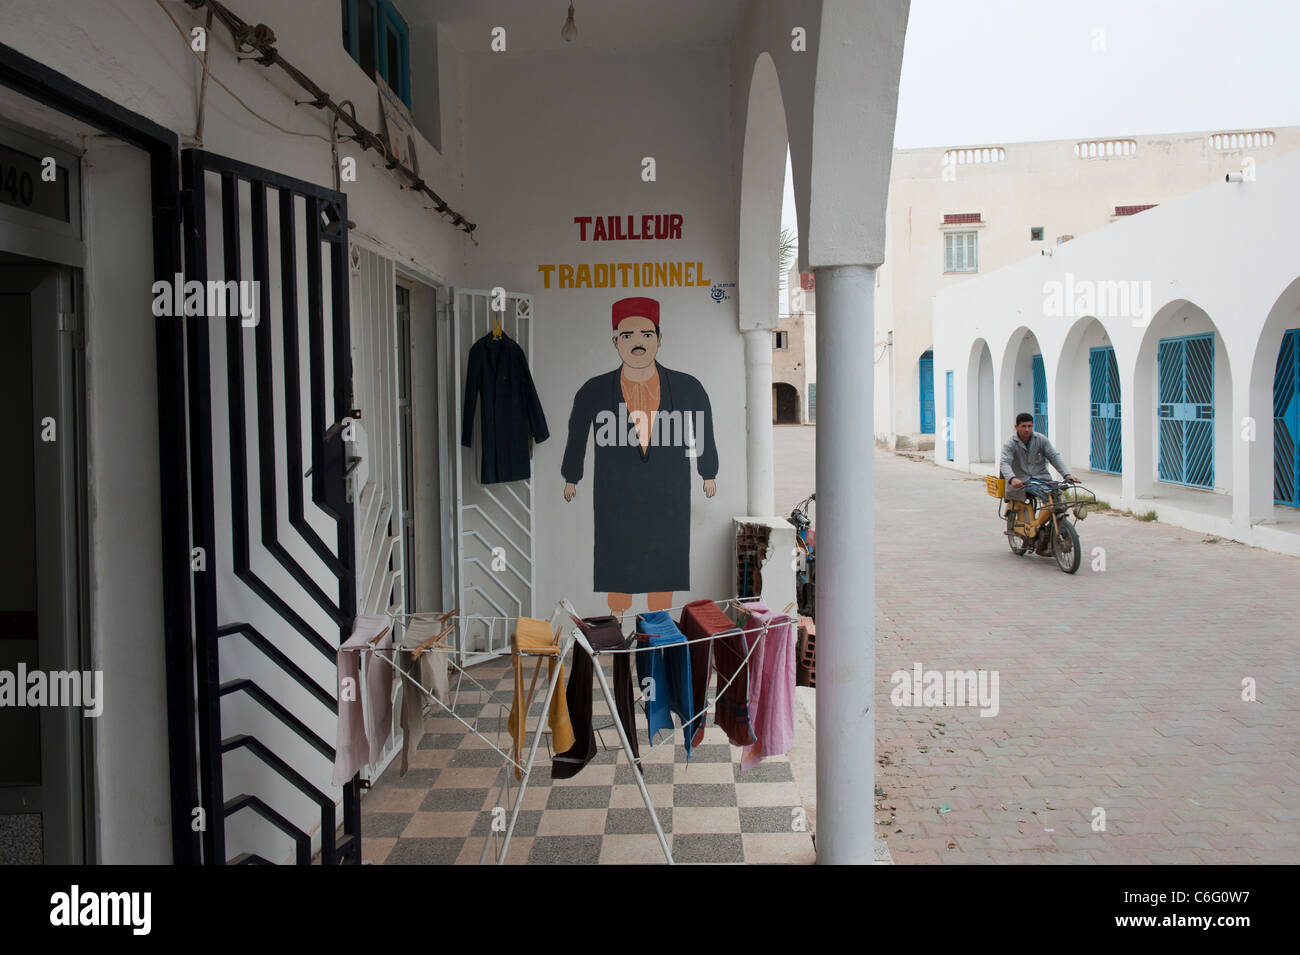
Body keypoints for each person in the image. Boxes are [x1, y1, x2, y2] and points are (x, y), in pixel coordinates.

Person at [562, 296, 718, 618]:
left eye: (646, 334)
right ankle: (616, 636)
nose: (638, 343)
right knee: (617, 563)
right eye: (628, 335)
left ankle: (658, 634)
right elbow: (577, 434)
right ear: (615, 340)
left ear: (659, 339)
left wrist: (708, 472)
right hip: (615, 495)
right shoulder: (593, 389)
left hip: (667, 493)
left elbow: (702, 429)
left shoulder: (687, 387)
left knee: (664, 566)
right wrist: (571, 477)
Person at [1000, 412, 1077, 555]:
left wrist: (1067, 474)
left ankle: (1047, 530)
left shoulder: (1040, 439)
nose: (1027, 429)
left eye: (1029, 426)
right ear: (1016, 427)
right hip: (1021, 481)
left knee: (1061, 501)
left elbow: (1054, 456)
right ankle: (1035, 527)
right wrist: (1012, 478)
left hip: (1042, 478)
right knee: (1048, 498)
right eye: (1023, 426)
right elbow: (1004, 463)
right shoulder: (1010, 443)